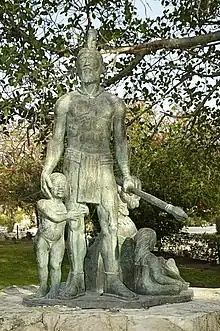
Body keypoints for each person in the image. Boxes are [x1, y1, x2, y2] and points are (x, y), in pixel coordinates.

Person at [41, 29, 136, 299]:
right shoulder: (67, 102)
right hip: (75, 163)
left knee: (111, 223)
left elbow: (120, 142)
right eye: (82, 65)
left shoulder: (114, 104)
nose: (87, 68)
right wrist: (48, 167)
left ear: (101, 68)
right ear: (76, 70)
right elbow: (57, 139)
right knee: (75, 224)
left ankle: (113, 279)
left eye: (92, 64)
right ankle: (76, 280)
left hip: (104, 165)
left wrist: (126, 174)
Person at [35, 172, 86, 298]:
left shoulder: (65, 205)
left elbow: (76, 215)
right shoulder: (42, 203)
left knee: (55, 265)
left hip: (58, 240)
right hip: (43, 239)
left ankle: (54, 289)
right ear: (49, 186)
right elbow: (54, 217)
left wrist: (84, 210)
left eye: (63, 185)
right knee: (42, 265)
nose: (60, 188)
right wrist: (69, 215)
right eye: (56, 185)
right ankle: (43, 287)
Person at [134, 228, 189, 295]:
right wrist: (176, 282)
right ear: (151, 242)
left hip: (135, 287)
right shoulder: (150, 258)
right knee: (176, 288)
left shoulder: (132, 256)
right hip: (148, 288)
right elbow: (158, 277)